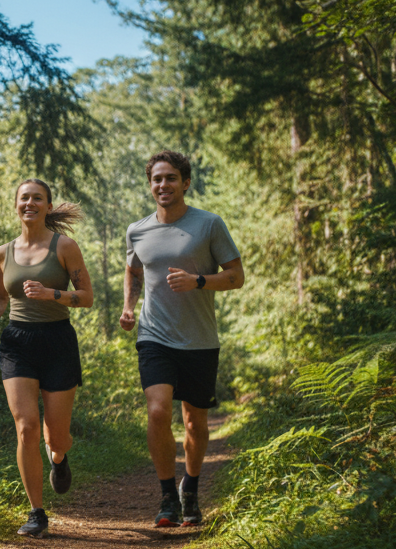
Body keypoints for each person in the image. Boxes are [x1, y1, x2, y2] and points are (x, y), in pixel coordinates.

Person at [119, 151, 244, 528]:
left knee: (194, 423)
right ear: (150, 185)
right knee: (157, 410)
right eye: (157, 179)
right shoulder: (137, 230)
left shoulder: (208, 225)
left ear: (185, 182)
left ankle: (190, 487)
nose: (163, 185)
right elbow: (133, 270)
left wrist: (199, 281)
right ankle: (167, 496)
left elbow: (237, 276)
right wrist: (128, 306)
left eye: (171, 178)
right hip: (154, 335)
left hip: (199, 339)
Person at [0, 178, 94, 538]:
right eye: (24, 198)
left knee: (56, 437)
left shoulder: (65, 247)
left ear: (47, 205)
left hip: (58, 342)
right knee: (26, 426)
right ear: (16, 204)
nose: (30, 203)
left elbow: (86, 297)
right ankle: (36, 512)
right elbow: (0, 295)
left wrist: (51, 294)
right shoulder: (2, 253)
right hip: (17, 343)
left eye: (37, 198)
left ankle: (58, 459)